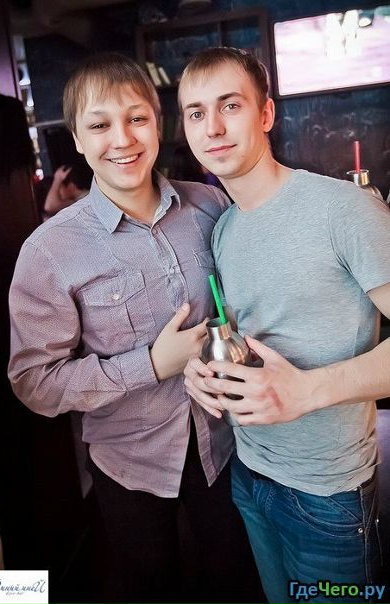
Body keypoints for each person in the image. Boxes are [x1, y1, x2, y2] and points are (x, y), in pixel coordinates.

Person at [7, 52, 258, 603]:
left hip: (225, 446)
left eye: (136, 118)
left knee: (235, 579)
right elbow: (34, 382)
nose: (122, 139)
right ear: (77, 139)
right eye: (99, 125)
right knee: (148, 588)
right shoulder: (49, 251)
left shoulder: (210, 204)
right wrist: (151, 364)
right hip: (130, 466)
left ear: (158, 123)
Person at [179, 47, 390, 604]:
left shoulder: (343, 209)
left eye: (230, 105)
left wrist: (307, 391)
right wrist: (202, 369)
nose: (213, 127)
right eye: (196, 112)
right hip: (249, 474)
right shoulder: (224, 228)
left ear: (266, 113)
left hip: (327, 495)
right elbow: (250, 336)